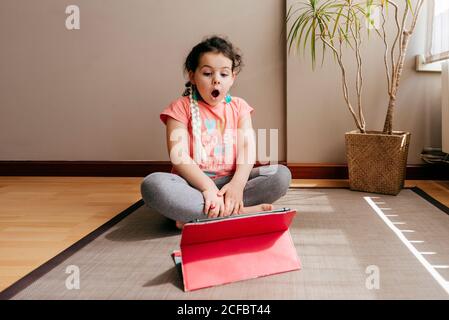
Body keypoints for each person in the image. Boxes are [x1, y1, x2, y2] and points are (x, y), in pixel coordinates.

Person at [141, 36, 291, 229]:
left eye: (223, 74)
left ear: (232, 78)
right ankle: (240, 213)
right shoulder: (180, 108)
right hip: (192, 185)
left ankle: (199, 215)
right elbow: (179, 156)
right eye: (207, 73)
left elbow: (247, 147)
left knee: (280, 175)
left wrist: (237, 185)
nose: (216, 81)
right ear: (192, 76)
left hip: (231, 182)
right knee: (153, 185)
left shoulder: (239, 107)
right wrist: (207, 188)